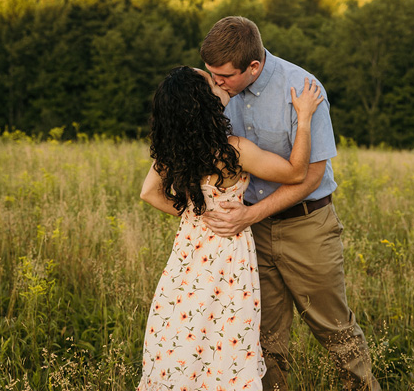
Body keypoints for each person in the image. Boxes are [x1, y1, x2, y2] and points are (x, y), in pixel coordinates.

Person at [200, 16, 381, 391]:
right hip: (250, 234)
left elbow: (311, 175)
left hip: (306, 226)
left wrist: (249, 214)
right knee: (261, 336)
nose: (216, 82)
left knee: (334, 329)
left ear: (253, 67)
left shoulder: (302, 88)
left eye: (224, 76)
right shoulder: (215, 92)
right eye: (211, 73)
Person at [137, 65, 325, 391]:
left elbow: (148, 193)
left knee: (184, 329)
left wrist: (195, 213)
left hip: (189, 251)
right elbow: (296, 173)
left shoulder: (174, 148)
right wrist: (305, 119)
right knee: (225, 337)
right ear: (204, 102)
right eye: (211, 82)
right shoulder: (233, 150)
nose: (219, 83)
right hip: (228, 252)